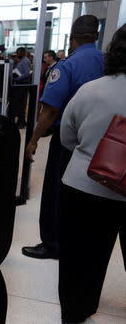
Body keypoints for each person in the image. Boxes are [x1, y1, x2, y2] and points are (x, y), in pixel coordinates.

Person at [58, 24, 126, 324]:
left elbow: (66, 138)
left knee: (79, 258)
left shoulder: (91, 89)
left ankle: (76, 312)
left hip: (83, 187)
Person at [22, 15, 104, 259]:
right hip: (101, 140)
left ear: (72, 38)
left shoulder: (66, 66)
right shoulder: (107, 63)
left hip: (67, 141)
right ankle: (76, 242)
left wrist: (33, 140)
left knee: (55, 192)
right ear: (97, 36)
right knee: (88, 193)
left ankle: (51, 244)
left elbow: (49, 111)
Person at [10, 47, 31, 128]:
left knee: (21, 104)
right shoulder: (21, 60)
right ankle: (20, 121)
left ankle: (21, 122)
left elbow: (26, 73)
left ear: (22, 52)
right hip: (19, 83)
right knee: (19, 104)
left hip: (22, 84)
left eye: (18, 52)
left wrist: (17, 78)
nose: (17, 54)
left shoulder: (25, 61)